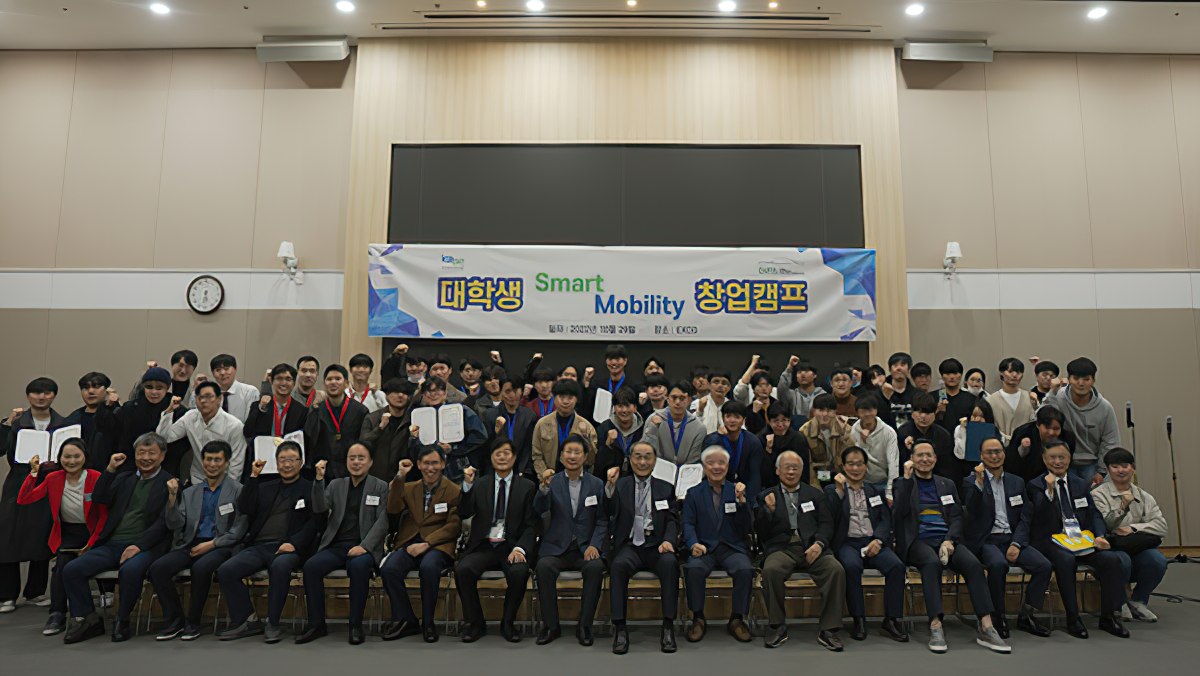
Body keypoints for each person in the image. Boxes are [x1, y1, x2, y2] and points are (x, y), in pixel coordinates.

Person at [892, 441, 1009, 653]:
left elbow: (956, 516)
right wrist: (907, 480)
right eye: (920, 455)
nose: (925, 459)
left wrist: (950, 539)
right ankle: (936, 624)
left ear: (935, 459)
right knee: (931, 563)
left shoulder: (946, 484)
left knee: (973, 565)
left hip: (946, 540)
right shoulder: (902, 483)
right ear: (911, 459)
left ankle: (986, 626)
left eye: (929, 455)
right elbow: (898, 514)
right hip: (917, 541)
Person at [61, 432, 174, 643]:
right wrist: (110, 469)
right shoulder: (125, 478)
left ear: (162, 456)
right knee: (72, 569)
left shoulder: (169, 483)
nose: (146, 458)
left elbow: (164, 523)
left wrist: (138, 546)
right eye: (141, 452)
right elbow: (99, 497)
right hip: (112, 544)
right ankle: (88, 619)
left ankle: (122, 620)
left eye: (151, 453)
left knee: (130, 570)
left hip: (146, 546)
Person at [1019, 440, 1128, 638]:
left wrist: (1099, 536)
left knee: (1111, 560)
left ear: (1069, 459)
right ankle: (1073, 617)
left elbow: (1093, 514)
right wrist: (1049, 492)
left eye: (1062, 457)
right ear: (1044, 460)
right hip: (1050, 541)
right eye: (1052, 458)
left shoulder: (1080, 484)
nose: (1057, 462)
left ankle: (1109, 616)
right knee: (1066, 559)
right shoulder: (1035, 485)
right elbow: (1038, 516)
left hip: (1080, 540)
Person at [215, 441, 318, 643]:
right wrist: (253, 477)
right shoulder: (265, 487)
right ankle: (248, 620)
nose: (287, 464)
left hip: (289, 548)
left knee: (280, 566)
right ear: (276, 463)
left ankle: (273, 622)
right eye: (282, 460)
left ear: (301, 462)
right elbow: (245, 507)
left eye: (292, 459)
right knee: (226, 570)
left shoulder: (310, 488)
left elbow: (315, 523)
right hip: (259, 546)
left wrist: (294, 544)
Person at [148, 440, 246, 641]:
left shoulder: (238, 490)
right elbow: (174, 523)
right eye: (208, 459)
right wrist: (172, 498)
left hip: (221, 545)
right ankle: (175, 619)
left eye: (217, 460)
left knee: (201, 568)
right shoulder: (190, 492)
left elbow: (239, 530)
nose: (212, 464)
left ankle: (193, 622)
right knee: (158, 569)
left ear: (227, 463)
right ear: (202, 461)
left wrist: (212, 544)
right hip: (190, 543)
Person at [960, 437, 1053, 639]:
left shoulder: (1016, 481)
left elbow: (1025, 516)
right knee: (998, 565)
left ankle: (1027, 613)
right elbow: (971, 513)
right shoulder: (970, 482)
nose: (994, 456)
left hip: (1012, 538)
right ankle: (997, 615)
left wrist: (1017, 543)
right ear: (981, 456)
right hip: (987, 540)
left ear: (1004, 454)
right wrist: (978, 484)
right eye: (989, 452)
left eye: (998, 451)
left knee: (1044, 565)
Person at [297, 444, 389, 645]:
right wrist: (319, 480)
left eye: (361, 458)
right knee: (311, 566)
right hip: (337, 545)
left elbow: (383, 522)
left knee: (358, 566)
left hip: (364, 547)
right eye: (352, 458)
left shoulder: (380, 486)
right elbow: (319, 508)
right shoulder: (336, 485)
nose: (356, 462)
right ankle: (316, 624)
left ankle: (355, 625)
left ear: (370, 462)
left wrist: (365, 546)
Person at [756, 451, 846, 651]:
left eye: (795, 468)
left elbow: (826, 524)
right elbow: (761, 532)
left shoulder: (815, 494)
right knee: (771, 570)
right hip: (782, 548)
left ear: (802, 470)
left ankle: (829, 629)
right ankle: (777, 626)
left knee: (835, 569)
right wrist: (768, 511)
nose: (791, 472)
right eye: (786, 467)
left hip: (812, 547)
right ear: (777, 471)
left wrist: (819, 544)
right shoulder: (766, 496)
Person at [16, 438, 107, 635]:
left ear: (85, 457)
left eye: (76, 456)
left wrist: (92, 542)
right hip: (68, 533)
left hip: (93, 533)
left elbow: (104, 515)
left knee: (75, 569)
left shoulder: (95, 477)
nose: (71, 461)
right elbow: (24, 499)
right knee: (61, 568)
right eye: (67, 457)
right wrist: (33, 473)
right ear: (60, 458)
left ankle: (81, 615)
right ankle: (57, 614)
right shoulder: (53, 478)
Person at [456, 439, 538, 643]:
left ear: (514, 457)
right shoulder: (480, 484)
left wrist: (520, 548)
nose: (502, 457)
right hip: (484, 545)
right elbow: (464, 512)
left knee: (519, 572)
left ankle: (508, 623)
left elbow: (531, 525)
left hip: (510, 546)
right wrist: (467, 486)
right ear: (491, 457)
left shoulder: (527, 487)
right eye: (497, 453)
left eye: (506, 453)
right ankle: (476, 623)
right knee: (463, 569)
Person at [825, 447, 908, 643]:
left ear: (866, 466)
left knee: (897, 566)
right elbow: (829, 519)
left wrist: (878, 540)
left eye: (859, 464)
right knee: (851, 567)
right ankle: (859, 619)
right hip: (848, 543)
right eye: (851, 464)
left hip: (873, 541)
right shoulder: (832, 490)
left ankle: (891, 619)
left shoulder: (874, 490)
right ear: (843, 467)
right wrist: (839, 492)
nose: (855, 468)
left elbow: (885, 520)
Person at [604, 441, 680, 655]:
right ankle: (620, 628)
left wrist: (669, 540)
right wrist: (609, 488)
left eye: (647, 457)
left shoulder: (665, 487)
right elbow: (608, 512)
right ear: (630, 460)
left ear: (655, 461)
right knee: (618, 566)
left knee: (670, 563)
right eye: (638, 456)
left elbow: (672, 519)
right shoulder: (620, 485)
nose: (642, 461)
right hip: (630, 546)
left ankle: (668, 626)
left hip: (656, 544)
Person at [381, 446, 462, 643]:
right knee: (389, 569)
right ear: (418, 465)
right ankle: (407, 619)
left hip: (438, 544)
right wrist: (400, 477)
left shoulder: (454, 490)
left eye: (435, 463)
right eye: (426, 463)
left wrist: (427, 543)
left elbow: (454, 526)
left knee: (429, 567)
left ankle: (428, 623)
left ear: (443, 464)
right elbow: (393, 509)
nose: (430, 468)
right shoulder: (409, 488)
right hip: (409, 541)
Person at [533, 434, 607, 646]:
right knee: (543, 567)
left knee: (595, 568)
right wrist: (543, 488)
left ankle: (585, 626)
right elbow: (538, 510)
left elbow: (602, 520)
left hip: (585, 548)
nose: (572, 456)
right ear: (561, 456)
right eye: (568, 452)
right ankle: (551, 626)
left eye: (577, 452)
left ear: (585, 457)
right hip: (557, 547)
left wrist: (594, 545)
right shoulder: (552, 482)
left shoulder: (596, 484)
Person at [0, 377, 66, 614]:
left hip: (49, 481)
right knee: (8, 537)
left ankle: (35, 592)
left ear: (54, 396)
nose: (41, 397)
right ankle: (7, 595)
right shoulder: (17, 422)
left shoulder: (63, 423)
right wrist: (7, 424)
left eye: (47, 392)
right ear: (28, 396)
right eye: (36, 393)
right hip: (18, 482)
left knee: (43, 534)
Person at [682, 446, 754, 643]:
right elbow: (688, 523)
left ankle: (737, 619)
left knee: (745, 569)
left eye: (721, 463)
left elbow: (747, 526)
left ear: (727, 466)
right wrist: (693, 544)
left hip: (732, 548)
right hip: (704, 548)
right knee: (693, 569)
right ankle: (698, 618)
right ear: (704, 467)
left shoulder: (736, 490)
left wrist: (742, 502)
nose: (716, 467)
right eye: (711, 463)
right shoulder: (693, 493)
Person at [1090, 447, 1169, 623]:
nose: (1121, 470)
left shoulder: (1144, 496)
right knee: (1121, 560)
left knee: (1157, 560)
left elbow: (1161, 526)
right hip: (1111, 548)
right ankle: (1120, 602)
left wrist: (1133, 528)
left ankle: (1139, 601)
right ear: (1108, 470)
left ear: (1132, 468)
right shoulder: (1097, 495)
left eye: (1125, 466)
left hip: (1137, 546)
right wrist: (1122, 508)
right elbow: (1105, 524)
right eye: (1115, 466)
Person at [1044, 357, 1121, 486]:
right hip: (1061, 462)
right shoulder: (1058, 398)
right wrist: (1051, 393)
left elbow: (1110, 442)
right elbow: (1041, 421)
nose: (1081, 383)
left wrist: (1101, 471)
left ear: (1093, 380)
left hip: (1092, 464)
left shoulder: (1105, 407)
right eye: (1076, 378)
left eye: (1086, 379)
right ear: (1069, 379)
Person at [157, 381, 247, 485]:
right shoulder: (190, 417)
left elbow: (236, 465)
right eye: (200, 397)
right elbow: (165, 438)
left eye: (208, 397)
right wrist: (169, 411)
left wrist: (227, 489)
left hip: (223, 480)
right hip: (197, 479)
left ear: (219, 399)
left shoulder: (235, 426)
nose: (203, 401)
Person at [408, 376, 488, 483]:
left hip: (457, 470)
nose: (433, 394)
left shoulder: (460, 410)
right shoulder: (417, 415)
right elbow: (413, 450)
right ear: (423, 394)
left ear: (445, 392)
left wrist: (454, 449)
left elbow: (480, 435)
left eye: (438, 390)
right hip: (427, 471)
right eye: (429, 391)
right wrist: (414, 438)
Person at [97, 367, 174, 473]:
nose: (154, 392)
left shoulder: (175, 409)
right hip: (130, 467)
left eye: (159, 388)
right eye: (149, 387)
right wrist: (107, 406)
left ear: (167, 388)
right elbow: (108, 430)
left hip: (165, 468)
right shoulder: (130, 408)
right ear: (143, 387)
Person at [243, 364, 309, 480]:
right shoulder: (259, 406)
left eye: (288, 379)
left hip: (288, 466)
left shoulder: (301, 410)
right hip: (263, 465)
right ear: (272, 381)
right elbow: (248, 432)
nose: (283, 383)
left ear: (294, 383)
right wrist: (261, 409)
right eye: (279, 378)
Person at [305, 364, 370, 481]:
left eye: (338, 379)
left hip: (352, 471)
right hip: (323, 471)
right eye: (329, 379)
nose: (333, 382)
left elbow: (364, 442)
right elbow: (310, 442)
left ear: (346, 383)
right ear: (324, 384)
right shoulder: (316, 411)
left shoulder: (360, 411)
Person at [531, 379, 598, 477]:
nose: (565, 401)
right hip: (549, 478)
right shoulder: (542, 424)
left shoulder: (587, 426)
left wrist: (586, 438)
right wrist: (544, 476)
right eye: (561, 397)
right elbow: (537, 456)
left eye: (570, 398)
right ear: (554, 398)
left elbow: (591, 460)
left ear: (576, 399)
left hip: (577, 478)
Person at [702, 401, 764, 505]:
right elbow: (709, 472)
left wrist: (750, 502)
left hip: (745, 490)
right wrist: (718, 438)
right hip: (718, 490)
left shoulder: (753, 442)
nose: (732, 420)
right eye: (728, 416)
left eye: (737, 417)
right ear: (723, 418)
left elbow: (755, 476)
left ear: (743, 420)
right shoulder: (712, 440)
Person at [479, 375, 537, 479]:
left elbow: (529, 448)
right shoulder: (490, 415)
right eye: (507, 391)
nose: (512, 395)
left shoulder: (529, 416)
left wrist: (523, 471)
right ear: (501, 392)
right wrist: (495, 433)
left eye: (515, 391)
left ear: (522, 391)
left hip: (521, 471)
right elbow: (484, 447)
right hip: (495, 470)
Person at [359, 379, 415, 482]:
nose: (400, 395)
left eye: (404, 392)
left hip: (406, 479)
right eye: (396, 391)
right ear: (386, 395)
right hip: (376, 478)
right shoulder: (372, 418)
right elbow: (362, 444)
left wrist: (414, 437)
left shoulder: (413, 419)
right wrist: (379, 428)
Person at [642, 380, 705, 466]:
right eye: (674, 397)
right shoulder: (653, 419)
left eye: (682, 398)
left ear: (689, 400)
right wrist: (653, 428)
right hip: (656, 469)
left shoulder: (698, 427)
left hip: (685, 471)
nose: (677, 402)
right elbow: (644, 450)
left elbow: (693, 460)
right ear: (667, 399)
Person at [1006, 406, 1077, 481]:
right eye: (1047, 428)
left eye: (1056, 429)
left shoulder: (1068, 438)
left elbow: (1068, 463)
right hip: (1027, 477)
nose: (1051, 432)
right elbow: (1011, 463)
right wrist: (1022, 449)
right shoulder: (1022, 433)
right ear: (1038, 425)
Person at [798, 394, 852, 489]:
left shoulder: (845, 429)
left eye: (829, 410)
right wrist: (815, 489)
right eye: (821, 410)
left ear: (835, 412)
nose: (825, 414)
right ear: (814, 411)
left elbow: (850, 458)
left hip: (841, 473)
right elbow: (808, 465)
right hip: (819, 475)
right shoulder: (804, 431)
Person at [849, 396, 898, 500]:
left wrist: (889, 491)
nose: (867, 414)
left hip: (883, 482)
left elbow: (893, 463)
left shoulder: (889, 432)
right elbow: (854, 461)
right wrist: (863, 443)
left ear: (876, 410)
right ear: (857, 413)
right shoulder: (853, 431)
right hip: (861, 482)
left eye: (870, 410)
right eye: (863, 411)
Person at [897, 392, 956, 474]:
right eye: (919, 412)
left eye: (928, 413)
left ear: (935, 414)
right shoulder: (902, 433)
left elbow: (947, 466)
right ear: (912, 413)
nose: (923, 416)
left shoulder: (943, 435)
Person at [191, 354, 259, 423]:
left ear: (235, 369)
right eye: (218, 370)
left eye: (226, 369)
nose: (222, 373)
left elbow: (251, 422)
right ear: (213, 373)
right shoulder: (208, 393)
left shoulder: (250, 392)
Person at [64, 372, 114, 467]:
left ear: (107, 390)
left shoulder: (115, 414)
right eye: (85, 388)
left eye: (96, 386)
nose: (90, 391)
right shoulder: (72, 419)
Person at [594, 388, 644, 480]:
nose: (624, 410)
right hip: (609, 479)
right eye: (620, 406)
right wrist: (608, 445)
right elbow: (598, 463)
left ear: (635, 407)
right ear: (614, 408)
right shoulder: (604, 428)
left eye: (628, 406)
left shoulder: (643, 429)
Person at [584, 344, 640, 425]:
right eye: (610, 359)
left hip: (625, 428)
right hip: (600, 427)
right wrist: (586, 383)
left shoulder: (634, 387)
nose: (614, 362)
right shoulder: (597, 385)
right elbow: (587, 410)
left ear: (625, 361)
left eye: (617, 359)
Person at [758, 403, 811, 488]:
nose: (780, 424)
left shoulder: (798, 438)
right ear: (769, 421)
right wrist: (768, 450)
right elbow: (762, 473)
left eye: (784, 420)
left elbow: (804, 469)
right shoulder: (761, 439)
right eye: (776, 421)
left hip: (796, 484)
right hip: (770, 486)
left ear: (790, 420)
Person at [985, 357, 1036, 444]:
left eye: (1018, 372)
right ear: (1002, 373)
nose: (1015, 375)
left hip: (1025, 445)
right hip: (999, 445)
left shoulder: (1030, 398)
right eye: (1010, 371)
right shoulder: (990, 400)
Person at [953, 398, 1002, 478]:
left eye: (981, 416)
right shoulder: (961, 429)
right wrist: (963, 431)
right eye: (974, 416)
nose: (977, 419)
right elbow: (960, 454)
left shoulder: (994, 431)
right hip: (966, 470)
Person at [934, 358, 977, 434]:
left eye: (955, 373)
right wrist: (938, 412)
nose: (952, 377)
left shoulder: (971, 399)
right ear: (942, 376)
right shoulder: (932, 397)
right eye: (948, 374)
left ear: (961, 375)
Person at [690, 369, 732, 434]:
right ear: (709, 385)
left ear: (729, 387)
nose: (720, 385)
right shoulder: (697, 403)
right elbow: (692, 429)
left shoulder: (732, 406)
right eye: (716, 382)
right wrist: (700, 411)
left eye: (724, 383)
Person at [880, 352, 915, 428]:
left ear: (909, 369)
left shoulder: (917, 394)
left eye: (903, 365)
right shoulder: (880, 393)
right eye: (895, 365)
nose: (899, 368)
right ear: (890, 369)